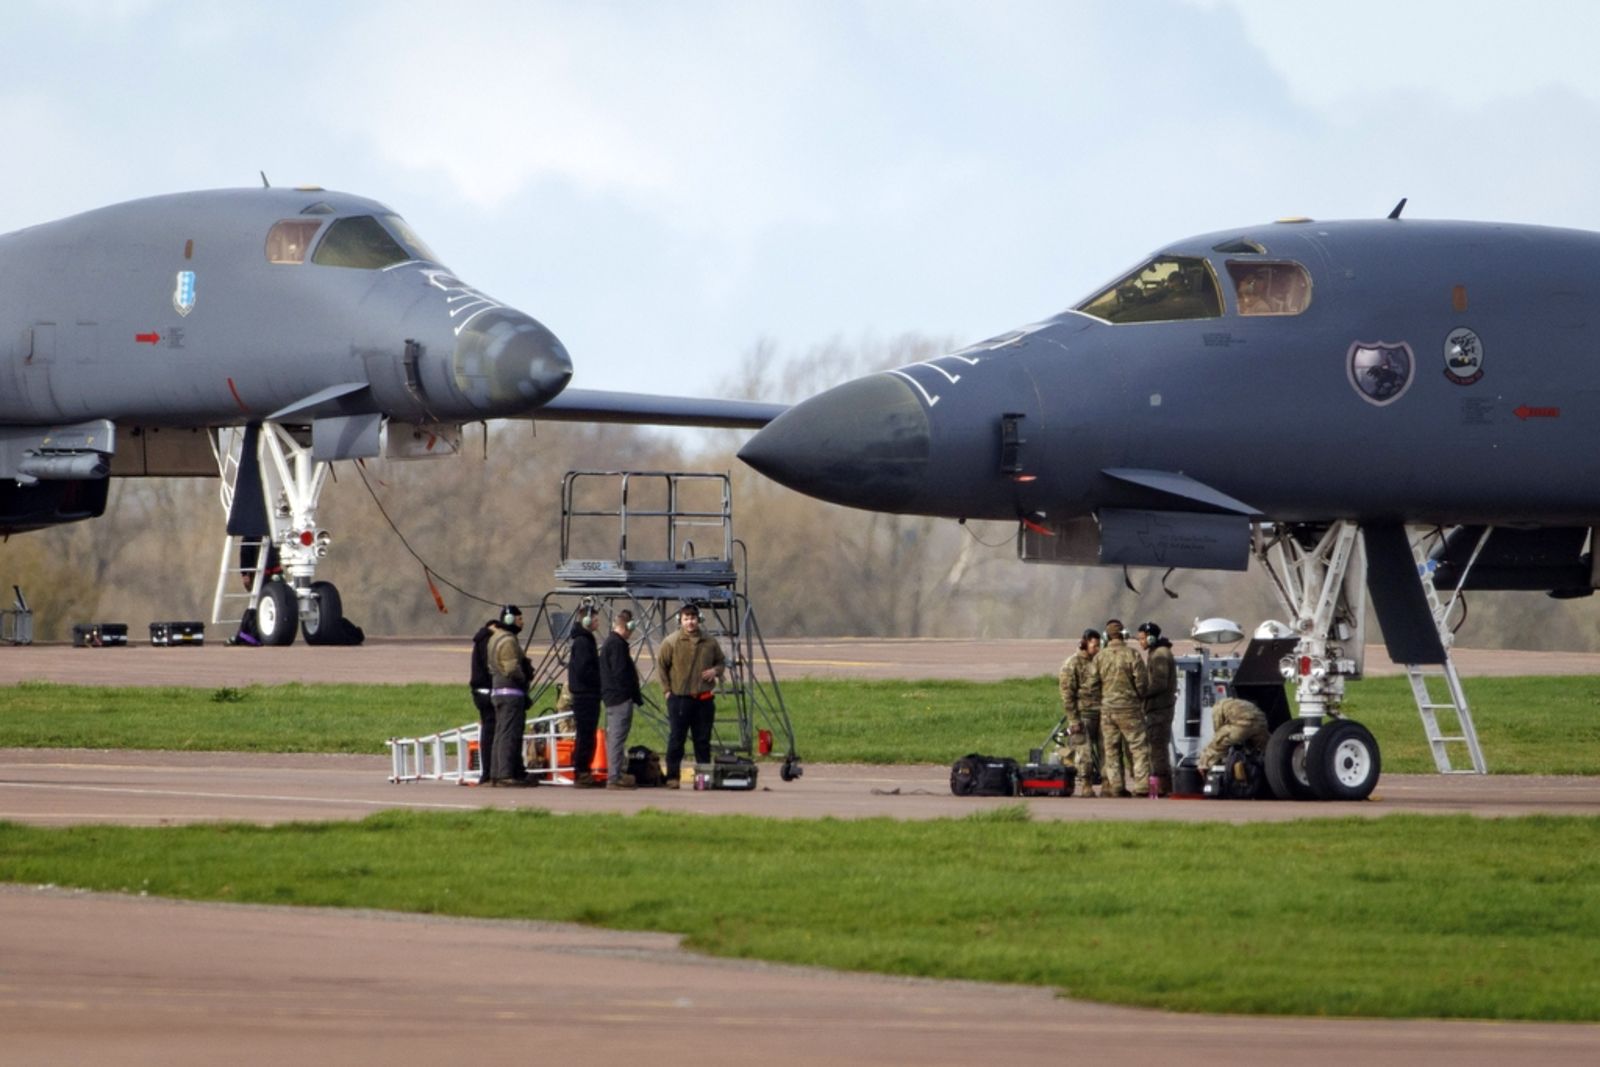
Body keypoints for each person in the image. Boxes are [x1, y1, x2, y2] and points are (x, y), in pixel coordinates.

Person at [655, 603, 726, 789]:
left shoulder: (710, 642)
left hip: (704, 700)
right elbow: (662, 667)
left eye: (693, 618)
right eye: (686, 619)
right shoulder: (671, 642)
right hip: (679, 699)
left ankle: (703, 779)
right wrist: (667, 691)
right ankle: (672, 778)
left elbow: (721, 661)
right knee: (676, 740)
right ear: (680, 620)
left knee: (702, 741)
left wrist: (715, 671)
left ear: (699, 619)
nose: (690, 622)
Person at [1095, 619, 1149, 797]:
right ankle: (1141, 786)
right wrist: (1137, 697)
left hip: (1108, 710)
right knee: (1138, 748)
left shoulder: (1100, 657)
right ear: (1123, 634)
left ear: (1106, 636)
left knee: (1111, 750)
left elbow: (1092, 683)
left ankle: (1116, 786)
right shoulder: (1132, 654)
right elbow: (1141, 681)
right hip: (1129, 709)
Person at [486, 605, 536, 786]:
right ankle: (506, 774)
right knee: (509, 734)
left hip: (499, 692)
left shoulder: (495, 638)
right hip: (510, 693)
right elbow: (511, 668)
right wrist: (524, 679)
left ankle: (497, 772)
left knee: (500, 733)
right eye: (519, 619)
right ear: (510, 620)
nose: (522, 622)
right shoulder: (508, 641)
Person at [599, 608, 643, 790]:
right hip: (619, 699)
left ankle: (615, 773)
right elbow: (620, 673)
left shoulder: (611, 643)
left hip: (613, 698)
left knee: (615, 737)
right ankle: (614, 776)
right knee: (617, 738)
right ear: (628, 626)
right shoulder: (617, 645)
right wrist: (628, 693)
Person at [1056, 628, 1103, 797]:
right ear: (1084, 643)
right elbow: (1067, 694)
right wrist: (1073, 720)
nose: (1097, 649)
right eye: (1094, 645)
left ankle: (1109, 785)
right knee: (1084, 753)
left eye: (1099, 646)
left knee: (1108, 753)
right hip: (1083, 715)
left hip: (1102, 714)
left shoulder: (1099, 661)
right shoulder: (1072, 664)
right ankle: (1086, 785)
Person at [566, 601, 604, 788]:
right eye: (595, 619)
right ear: (587, 620)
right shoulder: (583, 642)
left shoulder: (585, 640)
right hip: (585, 695)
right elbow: (583, 670)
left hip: (587, 694)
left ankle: (583, 770)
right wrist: (599, 679)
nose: (598, 622)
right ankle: (581, 771)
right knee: (586, 735)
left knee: (587, 735)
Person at [1138, 621, 1178, 797]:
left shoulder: (1160, 655)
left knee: (1158, 749)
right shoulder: (1157, 652)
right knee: (1157, 747)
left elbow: (1159, 683)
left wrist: (1140, 692)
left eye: (1142, 638)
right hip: (1158, 708)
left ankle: (1163, 787)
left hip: (1160, 709)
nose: (1140, 642)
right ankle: (1163, 785)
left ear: (1151, 637)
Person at [468, 614, 502, 785]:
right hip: (486, 691)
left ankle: (489, 770)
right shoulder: (487, 642)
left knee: (489, 728)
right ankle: (489, 770)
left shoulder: (480, 640)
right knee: (490, 729)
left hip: (480, 691)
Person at [1196, 696, 1270, 772]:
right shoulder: (1241, 703)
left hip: (1244, 723)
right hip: (1261, 722)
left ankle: (1204, 767)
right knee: (1267, 749)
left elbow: (1218, 727)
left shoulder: (1218, 706)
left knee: (1218, 742)